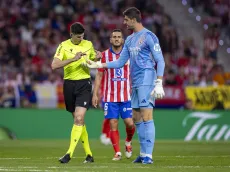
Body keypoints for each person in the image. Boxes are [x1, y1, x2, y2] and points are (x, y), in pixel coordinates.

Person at [85, 7, 165, 164]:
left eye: (126, 20)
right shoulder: (129, 40)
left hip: (147, 79)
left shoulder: (149, 36)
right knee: (136, 118)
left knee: (147, 116)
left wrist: (159, 82)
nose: (124, 22)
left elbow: (160, 60)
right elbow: (120, 62)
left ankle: (148, 155)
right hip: (134, 83)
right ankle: (142, 153)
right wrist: (99, 65)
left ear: (133, 20)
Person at [51, 22, 101, 164]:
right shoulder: (64, 45)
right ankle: (89, 155)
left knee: (79, 118)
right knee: (78, 120)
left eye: (82, 36)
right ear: (71, 34)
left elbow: (93, 60)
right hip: (69, 85)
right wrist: (73, 59)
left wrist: (97, 57)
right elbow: (54, 65)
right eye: (78, 37)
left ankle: (69, 154)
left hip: (84, 84)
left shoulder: (88, 44)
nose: (81, 39)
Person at [92, 29, 135, 161]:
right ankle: (117, 152)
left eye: (119, 37)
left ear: (122, 40)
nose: (116, 39)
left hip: (125, 96)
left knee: (130, 124)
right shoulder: (104, 55)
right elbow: (99, 75)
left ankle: (128, 142)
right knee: (113, 123)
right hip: (110, 97)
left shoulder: (129, 54)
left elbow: (134, 72)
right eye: (114, 37)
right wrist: (95, 94)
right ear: (111, 40)